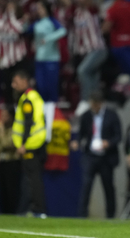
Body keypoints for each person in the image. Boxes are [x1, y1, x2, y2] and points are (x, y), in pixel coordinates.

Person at [70, 90, 121, 218]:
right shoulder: (86, 115)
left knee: (108, 187)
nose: (93, 107)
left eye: (95, 105)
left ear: (100, 103)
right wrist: (76, 142)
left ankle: (111, 215)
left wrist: (108, 143)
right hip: (90, 156)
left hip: (106, 158)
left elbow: (118, 136)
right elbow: (81, 134)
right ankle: (82, 215)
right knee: (86, 186)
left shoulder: (112, 115)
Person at [11, 70, 47, 218]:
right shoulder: (34, 96)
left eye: (16, 82)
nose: (13, 85)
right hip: (36, 143)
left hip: (31, 144)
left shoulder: (27, 99)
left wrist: (23, 144)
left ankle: (39, 210)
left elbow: (28, 123)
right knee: (30, 179)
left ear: (25, 81)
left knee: (33, 179)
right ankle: (28, 209)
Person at [71, 0, 108, 116]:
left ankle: (85, 101)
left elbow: (92, 4)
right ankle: (97, 102)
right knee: (93, 76)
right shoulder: (77, 13)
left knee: (82, 71)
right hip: (86, 51)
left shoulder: (91, 10)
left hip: (98, 49)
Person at [25, 0, 67, 102]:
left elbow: (63, 31)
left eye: (40, 8)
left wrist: (48, 38)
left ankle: (53, 111)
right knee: (41, 86)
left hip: (51, 58)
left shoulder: (52, 21)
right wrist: (25, 20)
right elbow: (25, 31)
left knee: (51, 86)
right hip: (39, 59)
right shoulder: (36, 23)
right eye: (37, 8)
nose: (38, 10)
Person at [0, 0, 29, 104]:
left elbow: (19, 29)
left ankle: (22, 109)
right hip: (5, 61)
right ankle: (9, 112)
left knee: (20, 87)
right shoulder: (2, 22)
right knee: (7, 87)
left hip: (18, 59)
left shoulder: (22, 22)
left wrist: (11, 15)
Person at [0, 105, 21, 214]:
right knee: (3, 191)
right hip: (2, 162)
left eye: (5, 115)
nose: (2, 117)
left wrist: (2, 130)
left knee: (11, 191)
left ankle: (13, 213)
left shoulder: (15, 129)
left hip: (12, 162)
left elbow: (8, 144)